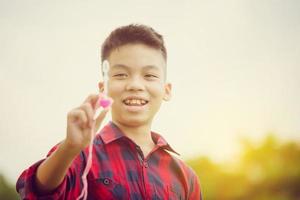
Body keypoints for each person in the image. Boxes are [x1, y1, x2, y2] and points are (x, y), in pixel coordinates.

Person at [16, 24, 202, 199]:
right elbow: (36, 190)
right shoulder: (79, 153)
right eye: (121, 75)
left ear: (166, 90)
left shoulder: (185, 176)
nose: (135, 85)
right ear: (103, 87)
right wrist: (69, 148)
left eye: (149, 75)